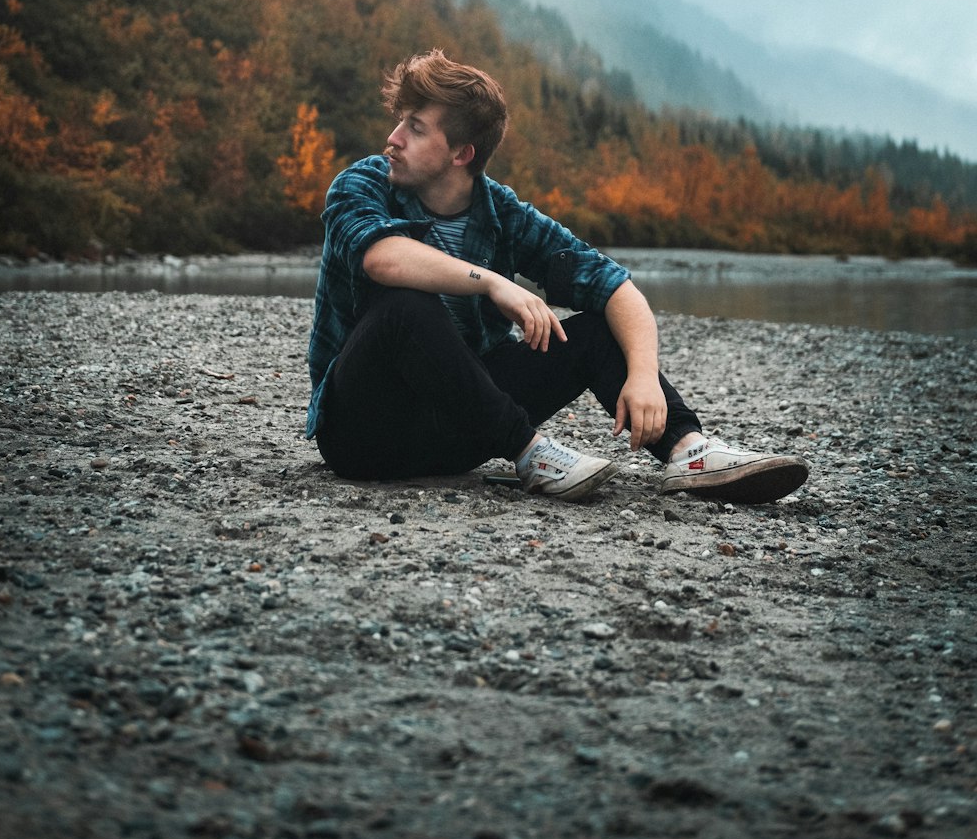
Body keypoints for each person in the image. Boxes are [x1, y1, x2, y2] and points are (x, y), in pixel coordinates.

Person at [306, 49, 808, 505]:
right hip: (364, 434)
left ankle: (690, 451)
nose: (393, 139)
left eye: (415, 128)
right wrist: (494, 282)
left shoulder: (503, 214)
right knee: (405, 307)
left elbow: (615, 286)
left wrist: (642, 376)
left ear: (462, 154)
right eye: (401, 122)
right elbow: (381, 257)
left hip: (457, 431)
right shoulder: (363, 183)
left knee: (593, 329)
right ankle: (531, 454)